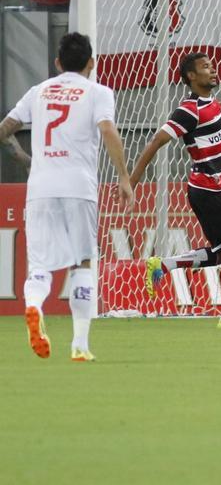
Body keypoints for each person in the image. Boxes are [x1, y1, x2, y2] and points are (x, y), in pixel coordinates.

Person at [0, 33, 133, 361]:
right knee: (82, 263)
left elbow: (6, 128)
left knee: (40, 266)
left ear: (58, 63)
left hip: (41, 189)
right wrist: (124, 176)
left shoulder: (38, 91)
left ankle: (33, 307)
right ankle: (80, 345)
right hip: (79, 187)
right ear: (91, 63)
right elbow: (107, 130)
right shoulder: (98, 92)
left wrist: (22, 156)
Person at [135, 53, 221, 330]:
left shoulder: (208, 104)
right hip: (215, 189)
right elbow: (157, 139)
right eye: (205, 68)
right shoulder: (187, 110)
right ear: (191, 76)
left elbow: (211, 114)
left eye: (212, 67)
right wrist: (133, 180)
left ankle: (164, 265)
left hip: (205, 189)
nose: (213, 71)